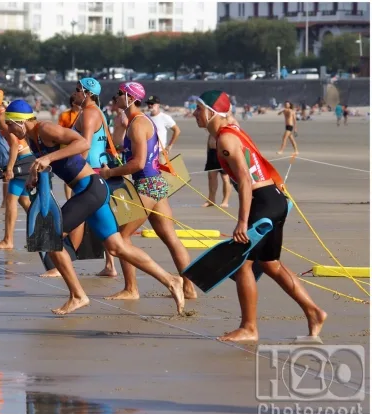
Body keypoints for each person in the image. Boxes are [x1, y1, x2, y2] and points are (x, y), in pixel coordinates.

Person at [4, 99, 184, 316]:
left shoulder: (45, 129)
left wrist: (49, 157)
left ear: (20, 122)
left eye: (10, 125)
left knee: (51, 238)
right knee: (117, 246)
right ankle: (171, 280)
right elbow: (47, 162)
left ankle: (78, 296)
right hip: (92, 190)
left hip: (90, 189)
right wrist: (33, 175)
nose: (9, 130)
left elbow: (82, 144)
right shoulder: (34, 139)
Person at [193, 90, 326, 341]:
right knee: (270, 264)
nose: (194, 114)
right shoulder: (232, 131)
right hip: (275, 199)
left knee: (242, 265)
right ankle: (314, 312)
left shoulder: (225, 141)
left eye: (198, 109)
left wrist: (242, 222)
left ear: (211, 112)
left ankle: (249, 328)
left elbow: (244, 181)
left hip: (262, 202)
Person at [99, 82, 197, 300]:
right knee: (171, 238)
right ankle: (189, 288)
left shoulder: (138, 123)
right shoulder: (133, 122)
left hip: (147, 185)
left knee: (121, 240)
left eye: (120, 94)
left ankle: (131, 289)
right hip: (156, 184)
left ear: (132, 99)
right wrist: (119, 127)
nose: (116, 96)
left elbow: (139, 163)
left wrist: (110, 173)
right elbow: (121, 147)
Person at [65, 77, 118, 278]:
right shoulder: (99, 113)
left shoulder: (88, 114)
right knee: (100, 218)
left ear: (86, 93)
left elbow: (84, 146)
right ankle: (110, 265)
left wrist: (74, 169)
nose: (75, 93)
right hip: (97, 170)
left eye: (78, 89)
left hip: (89, 170)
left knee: (76, 216)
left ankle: (65, 261)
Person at [0, 89, 34, 250]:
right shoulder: (2, 115)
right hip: (27, 157)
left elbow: (14, 144)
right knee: (25, 201)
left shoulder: (2, 118)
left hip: (22, 159)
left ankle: (8, 240)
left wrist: (10, 168)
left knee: (11, 201)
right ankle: (39, 234)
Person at [58, 94, 81, 201]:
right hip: (67, 145)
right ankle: (68, 199)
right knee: (69, 174)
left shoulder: (84, 114)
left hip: (80, 145)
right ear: (73, 103)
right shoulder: (65, 115)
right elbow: (59, 131)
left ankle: (76, 196)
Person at [144, 96, 180, 164]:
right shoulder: (145, 117)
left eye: (152, 104)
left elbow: (177, 130)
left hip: (160, 152)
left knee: (163, 173)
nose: (150, 105)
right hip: (146, 152)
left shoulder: (164, 117)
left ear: (158, 105)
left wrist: (170, 146)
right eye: (148, 103)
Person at [203, 132, 231, 208]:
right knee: (211, 177)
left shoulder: (224, 125)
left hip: (223, 153)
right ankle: (211, 199)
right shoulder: (212, 127)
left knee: (225, 178)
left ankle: (225, 200)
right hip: (212, 152)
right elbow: (209, 139)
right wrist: (208, 152)